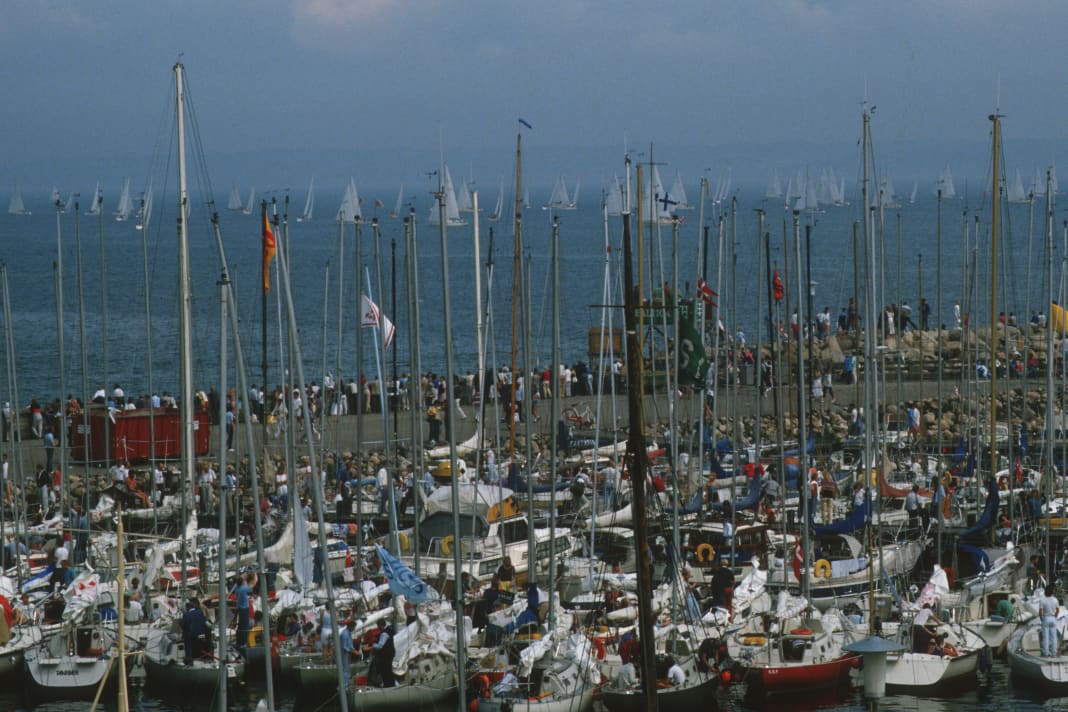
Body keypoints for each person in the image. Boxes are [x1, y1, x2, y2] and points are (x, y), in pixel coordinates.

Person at [364, 618, 396, 687]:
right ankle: (390, 684)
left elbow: (380, 646)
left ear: (380, 625)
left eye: (378, 626)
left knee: (385, 670)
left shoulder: (384, 633)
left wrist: (370, 647)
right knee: (388, 670)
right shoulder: (389, 630)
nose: (378, 627)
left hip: (385, 655)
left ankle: (388, 685)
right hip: (389, 653)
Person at [233, 571, 257, 653]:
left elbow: (242, 581)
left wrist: (245, 577)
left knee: (240, 626)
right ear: (242, 582)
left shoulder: (237, 588)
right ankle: (243, 643)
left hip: (240, 608)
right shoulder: (243, 589)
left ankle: (239, 642)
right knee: (244, 627)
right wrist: (255, 575)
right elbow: (253, 584)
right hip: (244, 609)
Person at [180, 598, 208, 666]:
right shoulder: (200, 612)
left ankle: (189, 660)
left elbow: (184, 625)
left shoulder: (186, 614)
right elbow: (204, 620)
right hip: (200, 632)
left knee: (187, 640)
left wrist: (180, 623)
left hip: (191, 634)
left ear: (188, 607)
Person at [1040, 588, 1060, 657]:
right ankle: (1054, 652)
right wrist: (1055, 617)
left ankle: (1046, 653)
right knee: (1054, 636)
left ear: (1045, 592)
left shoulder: (1042, 600)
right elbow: (1057, 610)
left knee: (1045, 637)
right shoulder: (1055, 600)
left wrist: (1041, 619)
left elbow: (1040, 611)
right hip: (1053, 618)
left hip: (1046, 618)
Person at [340, 619, 357, 684]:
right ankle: (344, 685)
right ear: (350, 626)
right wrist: (352, 651)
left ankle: (347, 683)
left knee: (347, 669)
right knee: (345, 670)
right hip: (344, 654)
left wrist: (353, 650)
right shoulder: (345, 634)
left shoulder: (349, 633)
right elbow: (344, 646)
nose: (354, 628)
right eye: (354, 627)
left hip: (348, 654)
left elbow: (350, 644)